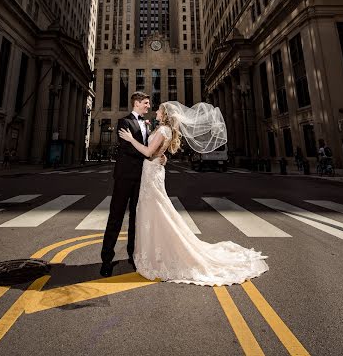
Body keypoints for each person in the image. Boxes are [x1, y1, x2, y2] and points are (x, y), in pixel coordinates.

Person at [118, 101, 268, 287]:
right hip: (153, 172)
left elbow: (148, 151)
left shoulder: (164, 131)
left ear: (165, 114)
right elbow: (156, 152)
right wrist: (160, 155)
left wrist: (130, 139)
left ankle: (158, 254)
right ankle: (153, 251)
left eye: (159, 109)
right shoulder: (163, 130)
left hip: (152, 173)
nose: (156, 110)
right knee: (155, 211)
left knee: (156, 210)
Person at [100, 92, 165, 277]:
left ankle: (133, 255)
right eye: (145, 103)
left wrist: (158, 155)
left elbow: (151, 146)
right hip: (124, 177)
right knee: (116, 216)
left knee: (136, 219)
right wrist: (149, 154)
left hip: (142, 178)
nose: (148, 106)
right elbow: (129, 148)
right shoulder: (124, 122)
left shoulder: (148, 123)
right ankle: (106, 259)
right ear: (136, 103)